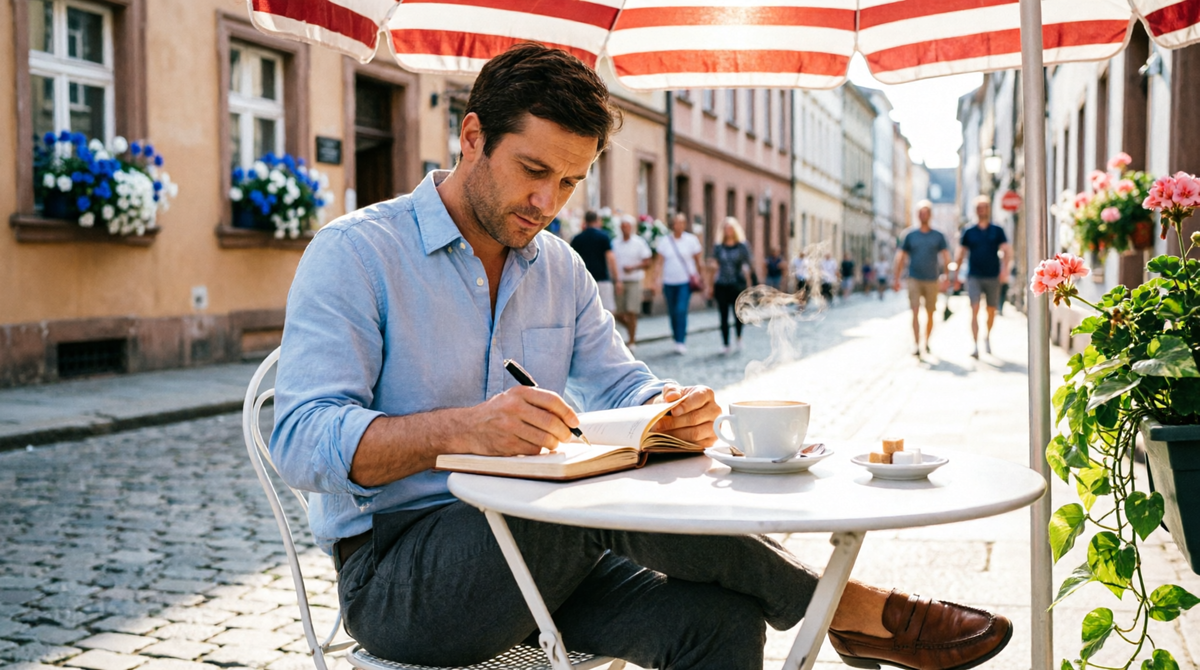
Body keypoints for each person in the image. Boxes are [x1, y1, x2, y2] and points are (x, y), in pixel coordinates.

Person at [271, 43, 1013, 670]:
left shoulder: (556, 267)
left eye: (569, 180)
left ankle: (830, 607)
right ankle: (846, 606)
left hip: (546, 567)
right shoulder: (359, 254)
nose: (548, 200)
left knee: (719, 623)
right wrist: (460, 431)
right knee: (573, 497)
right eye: (534, 170)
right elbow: (300, 441)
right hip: (403, 578)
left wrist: (666, 407)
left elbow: (621, 380)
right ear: (472, 137)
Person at [952, 195, 1012, 358]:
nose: (981, 210)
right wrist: (956, 275)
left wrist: (1004, 269)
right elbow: (961, 253)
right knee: (975, 308)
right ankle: (975, 345)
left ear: (988, 209)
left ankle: (987, 337)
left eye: (984, 207)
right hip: (974, 276)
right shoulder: (969, 231)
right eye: (979, 208)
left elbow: (1007, 250)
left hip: (993, 275)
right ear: (976, 211)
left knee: (991, 310)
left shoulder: (997, 230)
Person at [894, 200, 950, 356]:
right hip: (914, 278)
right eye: (920, 213)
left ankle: (927, 341)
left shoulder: (938, 236)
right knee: (915, 311)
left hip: (932, 279)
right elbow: (901, 257)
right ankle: (917, 344)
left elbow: (946, 257)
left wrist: (946, 276)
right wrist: (896, 279)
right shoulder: (909, 235)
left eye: (925, 212)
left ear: (930, 215)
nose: (922, 215)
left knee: (931, 313)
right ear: (917, 215)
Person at [656, 212, 705, 354]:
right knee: (672, 311)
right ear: (673, 225)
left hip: (684, 281)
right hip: (669, 282)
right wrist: (656, 280)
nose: (679, 225)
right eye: (676, 222)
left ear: (684, 225)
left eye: (682, 222)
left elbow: (698, 261)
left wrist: (702, 278)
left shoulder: (691, 240)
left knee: (681, 310)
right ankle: (676, 337)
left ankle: (680, 340)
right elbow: (659, 263)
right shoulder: (665, 241)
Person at [710, 217, 753, 354]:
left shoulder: (742, 246)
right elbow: (714, 265)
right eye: (725, 228)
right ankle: (725, 343)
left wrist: (749, 283)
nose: (728, 231)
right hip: (721, 283)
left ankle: (739, 337)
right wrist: (710, 284)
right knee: (723, 315)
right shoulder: (718, 247)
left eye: (730, 228)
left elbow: (748, 264)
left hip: (737, 284)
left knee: (737, 314)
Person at [611, 215, 652, 349]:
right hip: (619, 281)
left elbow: (647, 262)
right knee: (618, 312)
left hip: (634, 280)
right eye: (623, 227)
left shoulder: (639, 243)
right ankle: (631, 330)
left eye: (627, 227)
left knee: (631, 311)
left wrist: (633, 267)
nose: (625, 229)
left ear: (632, 228)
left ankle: (632, 341)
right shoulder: (615, 243)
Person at [570, 209, 619, 313]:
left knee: (586, 312)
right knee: (607, 312)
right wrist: (616, 279)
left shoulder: (577, 238)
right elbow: (611, 258)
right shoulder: (603, 236)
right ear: (598, 220)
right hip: (602, 278)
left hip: (584, 280)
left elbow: (572, 261)